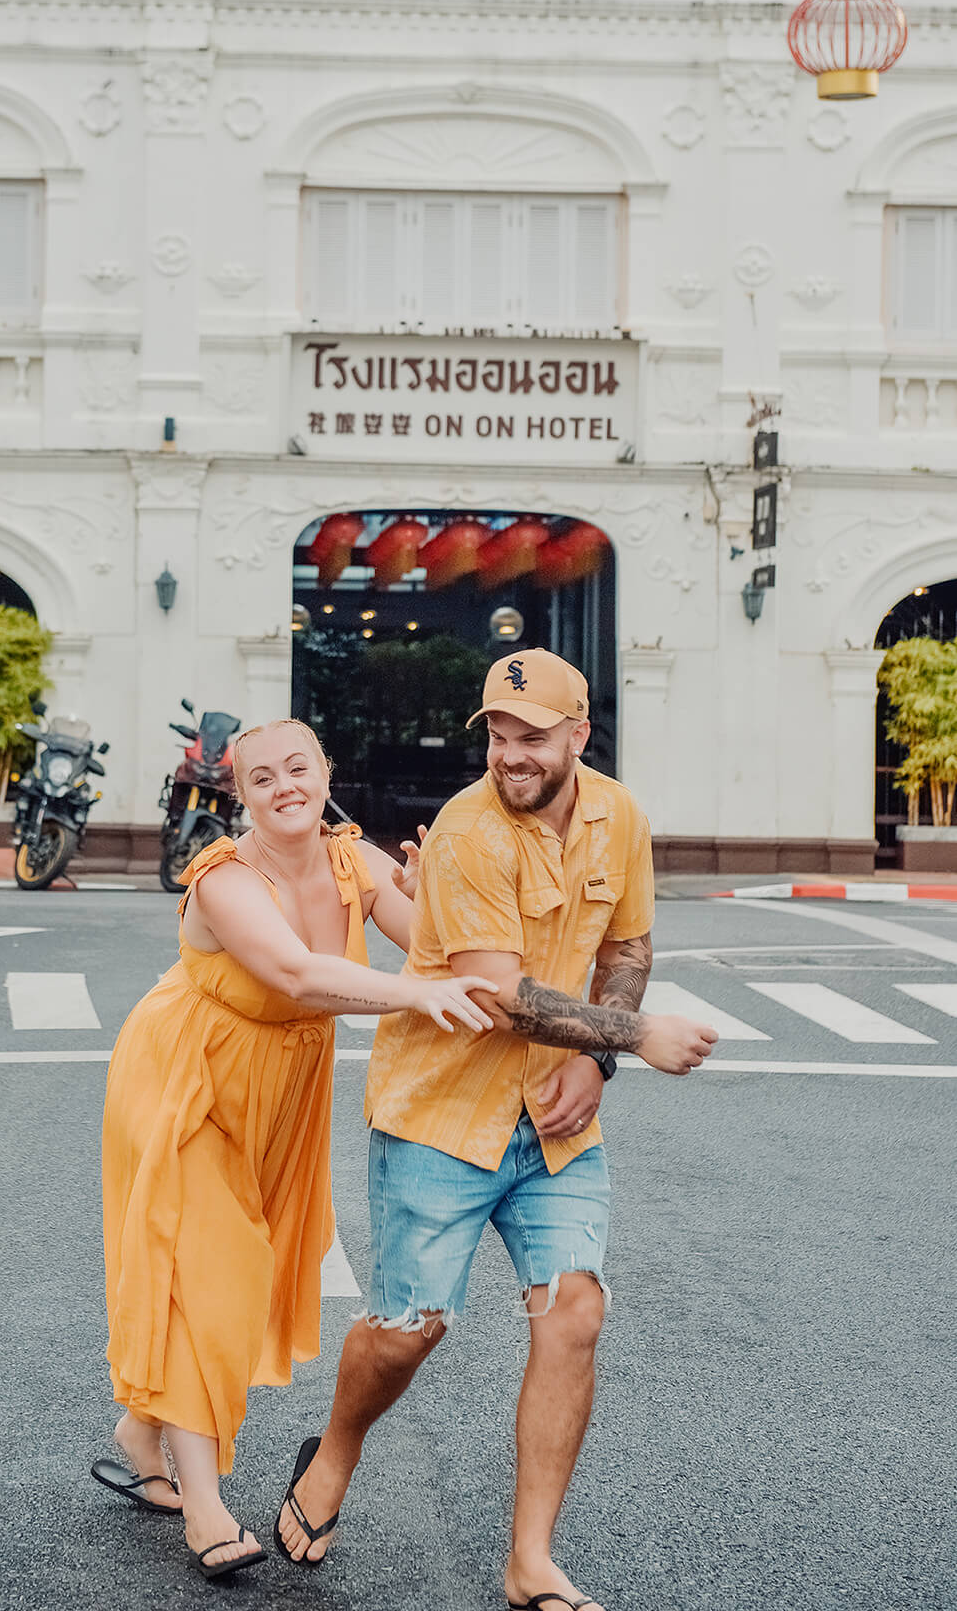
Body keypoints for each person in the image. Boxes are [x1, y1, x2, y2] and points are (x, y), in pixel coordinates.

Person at [276, 649, 718, 1611]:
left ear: (578, 736)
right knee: (409, 1332)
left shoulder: (619, 814)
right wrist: (638, 1039)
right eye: (499, 736)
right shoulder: (473, 831)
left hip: (553, 1124)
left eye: (532, 738)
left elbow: (629, 944)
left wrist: (595, 1060)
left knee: (575, 1311)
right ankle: (339, 1446)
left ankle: (531, 1562)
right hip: (441, 1112)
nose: (511, 756)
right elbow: (503, 998)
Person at [94, 718, 496, 1581]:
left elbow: (436, 945)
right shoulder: (223, 880)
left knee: (245, 1266)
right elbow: (297, 975)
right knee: (208, 1273)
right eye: (262, 776)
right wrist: (416, 995)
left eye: (298, 768)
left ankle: (142, 1430)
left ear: (324, 772)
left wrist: (432, 898)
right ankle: (205, 1507)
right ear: (240, 794)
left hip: (283, 1090)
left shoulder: (355, 861)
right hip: (187, 1075)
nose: (284, 786)